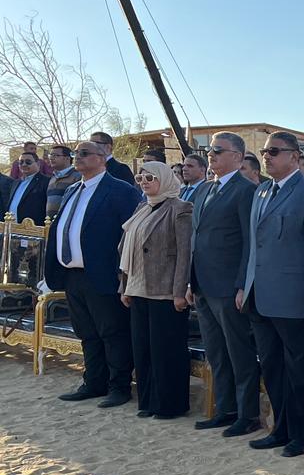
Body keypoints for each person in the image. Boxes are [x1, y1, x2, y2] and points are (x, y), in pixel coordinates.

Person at [239, 131, 304, 457]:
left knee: (300, 372)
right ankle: (280, 429)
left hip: (297, 300)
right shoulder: (262, 191)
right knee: (272, 368)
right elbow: (254, 245)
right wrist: (245, 285)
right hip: (261, 297)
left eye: (274, 151)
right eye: (264, 152)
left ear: (295, 156)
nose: (266, 157)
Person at [43, 141, 144, 406]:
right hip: (73, 275)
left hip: (104, 273)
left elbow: (131, 235)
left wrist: (123, 274)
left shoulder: (120, 190)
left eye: (84, 153)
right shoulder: (73, 189)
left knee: (113, 332)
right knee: (87, 332)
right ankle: (94, 382)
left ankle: (119, 386)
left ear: (102, 157)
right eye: (75, 153)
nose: (77, 157)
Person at [188, 131, 261, 437]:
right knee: (216, 352)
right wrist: (189, 281)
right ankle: (225, 409)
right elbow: (196, 237)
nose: (211, 154)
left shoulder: (246, 191)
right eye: (209, 150)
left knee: (239, 353)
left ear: (237, 157)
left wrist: (243, 284)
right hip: (203, 284)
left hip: (229, 287)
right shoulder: (205, 189)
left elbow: (249, 242)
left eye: (218, 150)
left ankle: (247, 414)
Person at [117, 162, 193, 420]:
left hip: (165, 291)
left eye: (150, 178)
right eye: (140, 178)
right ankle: (148, 401)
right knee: (143, 349)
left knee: (166, 350)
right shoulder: (142, 208)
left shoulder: (180, 208)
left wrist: (180, 291)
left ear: (165, 178)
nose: (144, 182)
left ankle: (170, 405)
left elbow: (184, 253)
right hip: (138, 287)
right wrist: (124, 286)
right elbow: (126, 250)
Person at [5, 149, 49, 224]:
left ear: (38, 164)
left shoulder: (46, 182)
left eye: (28, 162)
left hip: (33, 228)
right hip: (12, 226)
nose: (24, 165)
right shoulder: (15, 183)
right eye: (21, 162)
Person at [45, 145, 79, 222]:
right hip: (50, 223)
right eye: (50, 155)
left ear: (67, 158)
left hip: (68, 222)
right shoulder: (52, 178)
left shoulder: (77, 176)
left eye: (55, 155)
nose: (51, 158)